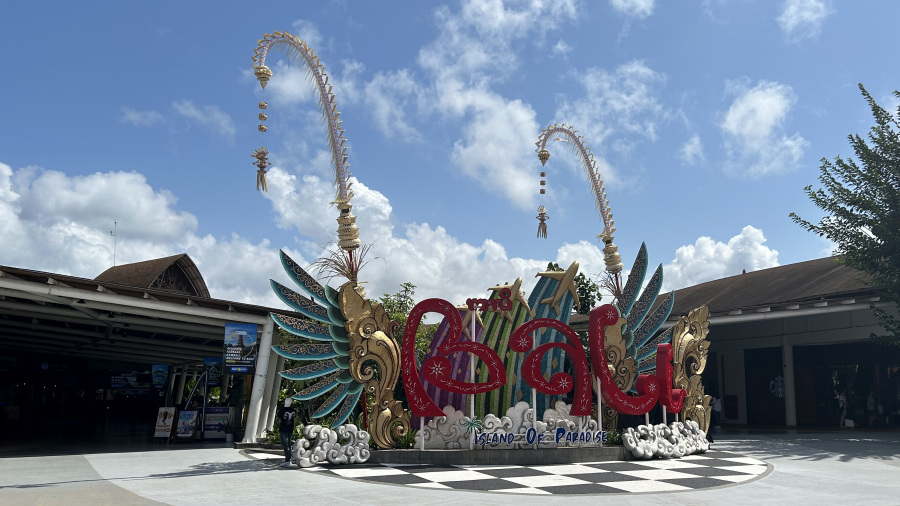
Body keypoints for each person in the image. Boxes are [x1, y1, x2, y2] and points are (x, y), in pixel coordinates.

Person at [277, 398, 298, 468]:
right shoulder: (294, 410)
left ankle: (288, 460)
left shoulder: (282, 410)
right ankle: (288, 459)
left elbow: (278, 418)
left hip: (283, 429)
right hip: (290, 429)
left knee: (285, 445)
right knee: (289, 444)